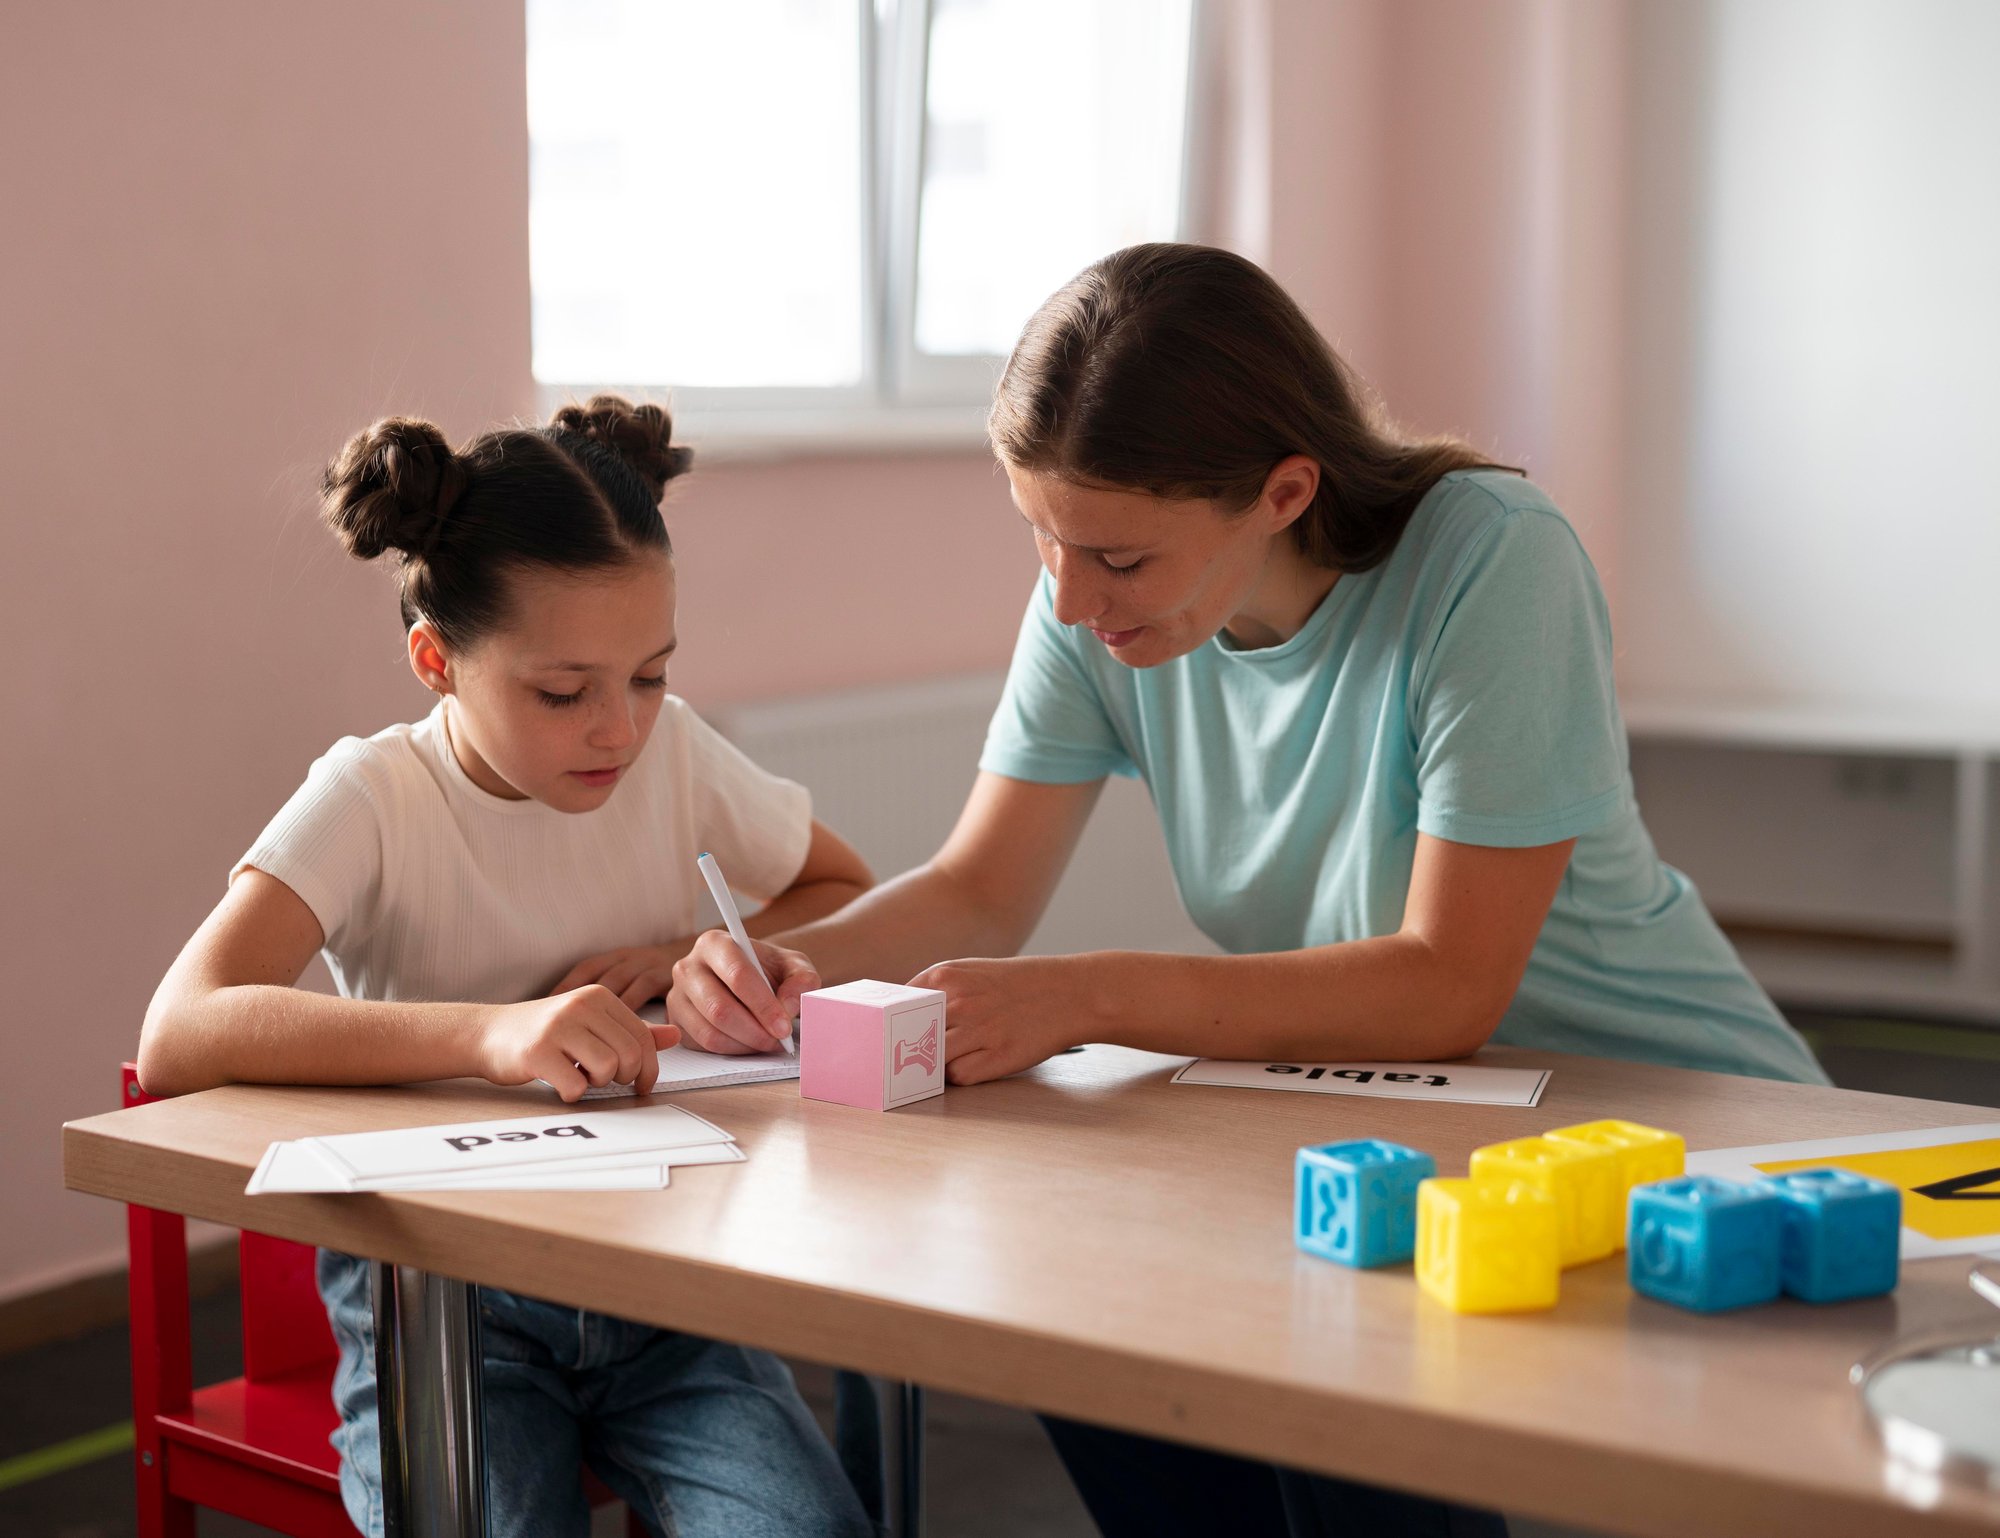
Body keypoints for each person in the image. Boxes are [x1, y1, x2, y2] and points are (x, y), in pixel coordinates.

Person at [666, 243, 1827, 1537]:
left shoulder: (1496, 562)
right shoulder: (1095, 607)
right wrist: (779, 964)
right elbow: (979, 890)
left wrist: (1083, 998)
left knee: (1352, 1404)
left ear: (1283, 491)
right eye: (1041, 538)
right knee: (1082, 1329)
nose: (1066, 595)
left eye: (1114, 557)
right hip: (1417, 1132)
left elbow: (1446, 982)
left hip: (1685, 1122)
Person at [138, 396, 876, 1538]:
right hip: (444, 1304)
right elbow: (181, 1029)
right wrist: (488, 1032)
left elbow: (844, 888)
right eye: (562, 690)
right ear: (436, 660)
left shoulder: (668, 751)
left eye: (649, 674)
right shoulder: (374, 794)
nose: (619, 731)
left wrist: (695, 953)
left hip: (662, 1280)